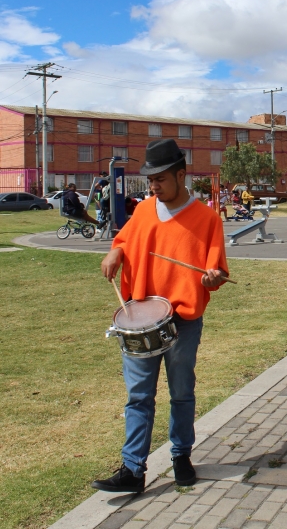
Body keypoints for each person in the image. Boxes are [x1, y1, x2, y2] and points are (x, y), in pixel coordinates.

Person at [92, 138, 229, 494]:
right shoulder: (142, 211)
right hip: (139, 318)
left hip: (182, 321)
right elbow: (124, 241)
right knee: (139, 396)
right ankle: (133, 470)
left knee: (182, 392)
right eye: (150, 180)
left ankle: (181, 455)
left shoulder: (207, 219)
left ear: (181, 175)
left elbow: (215, 272)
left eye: (160, 179)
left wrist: (211, 278)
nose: (153, 186)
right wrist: (114, 255)